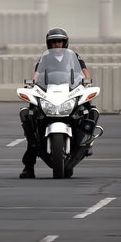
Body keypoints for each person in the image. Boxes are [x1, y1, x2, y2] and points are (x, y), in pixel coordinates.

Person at [19, 26, 91, 180]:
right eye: (53, 42)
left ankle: (87, 136)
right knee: (32, 116)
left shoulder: (74, 56)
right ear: (49, 44)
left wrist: (86, 82)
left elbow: (84, 71)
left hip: (68, 89)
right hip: (49, 90)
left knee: (88, 107)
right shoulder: (45, 58)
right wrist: (32, 83)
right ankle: (28, 167)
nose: (57, 44)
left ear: (65, 42)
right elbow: (37, 73)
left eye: (59, 41)